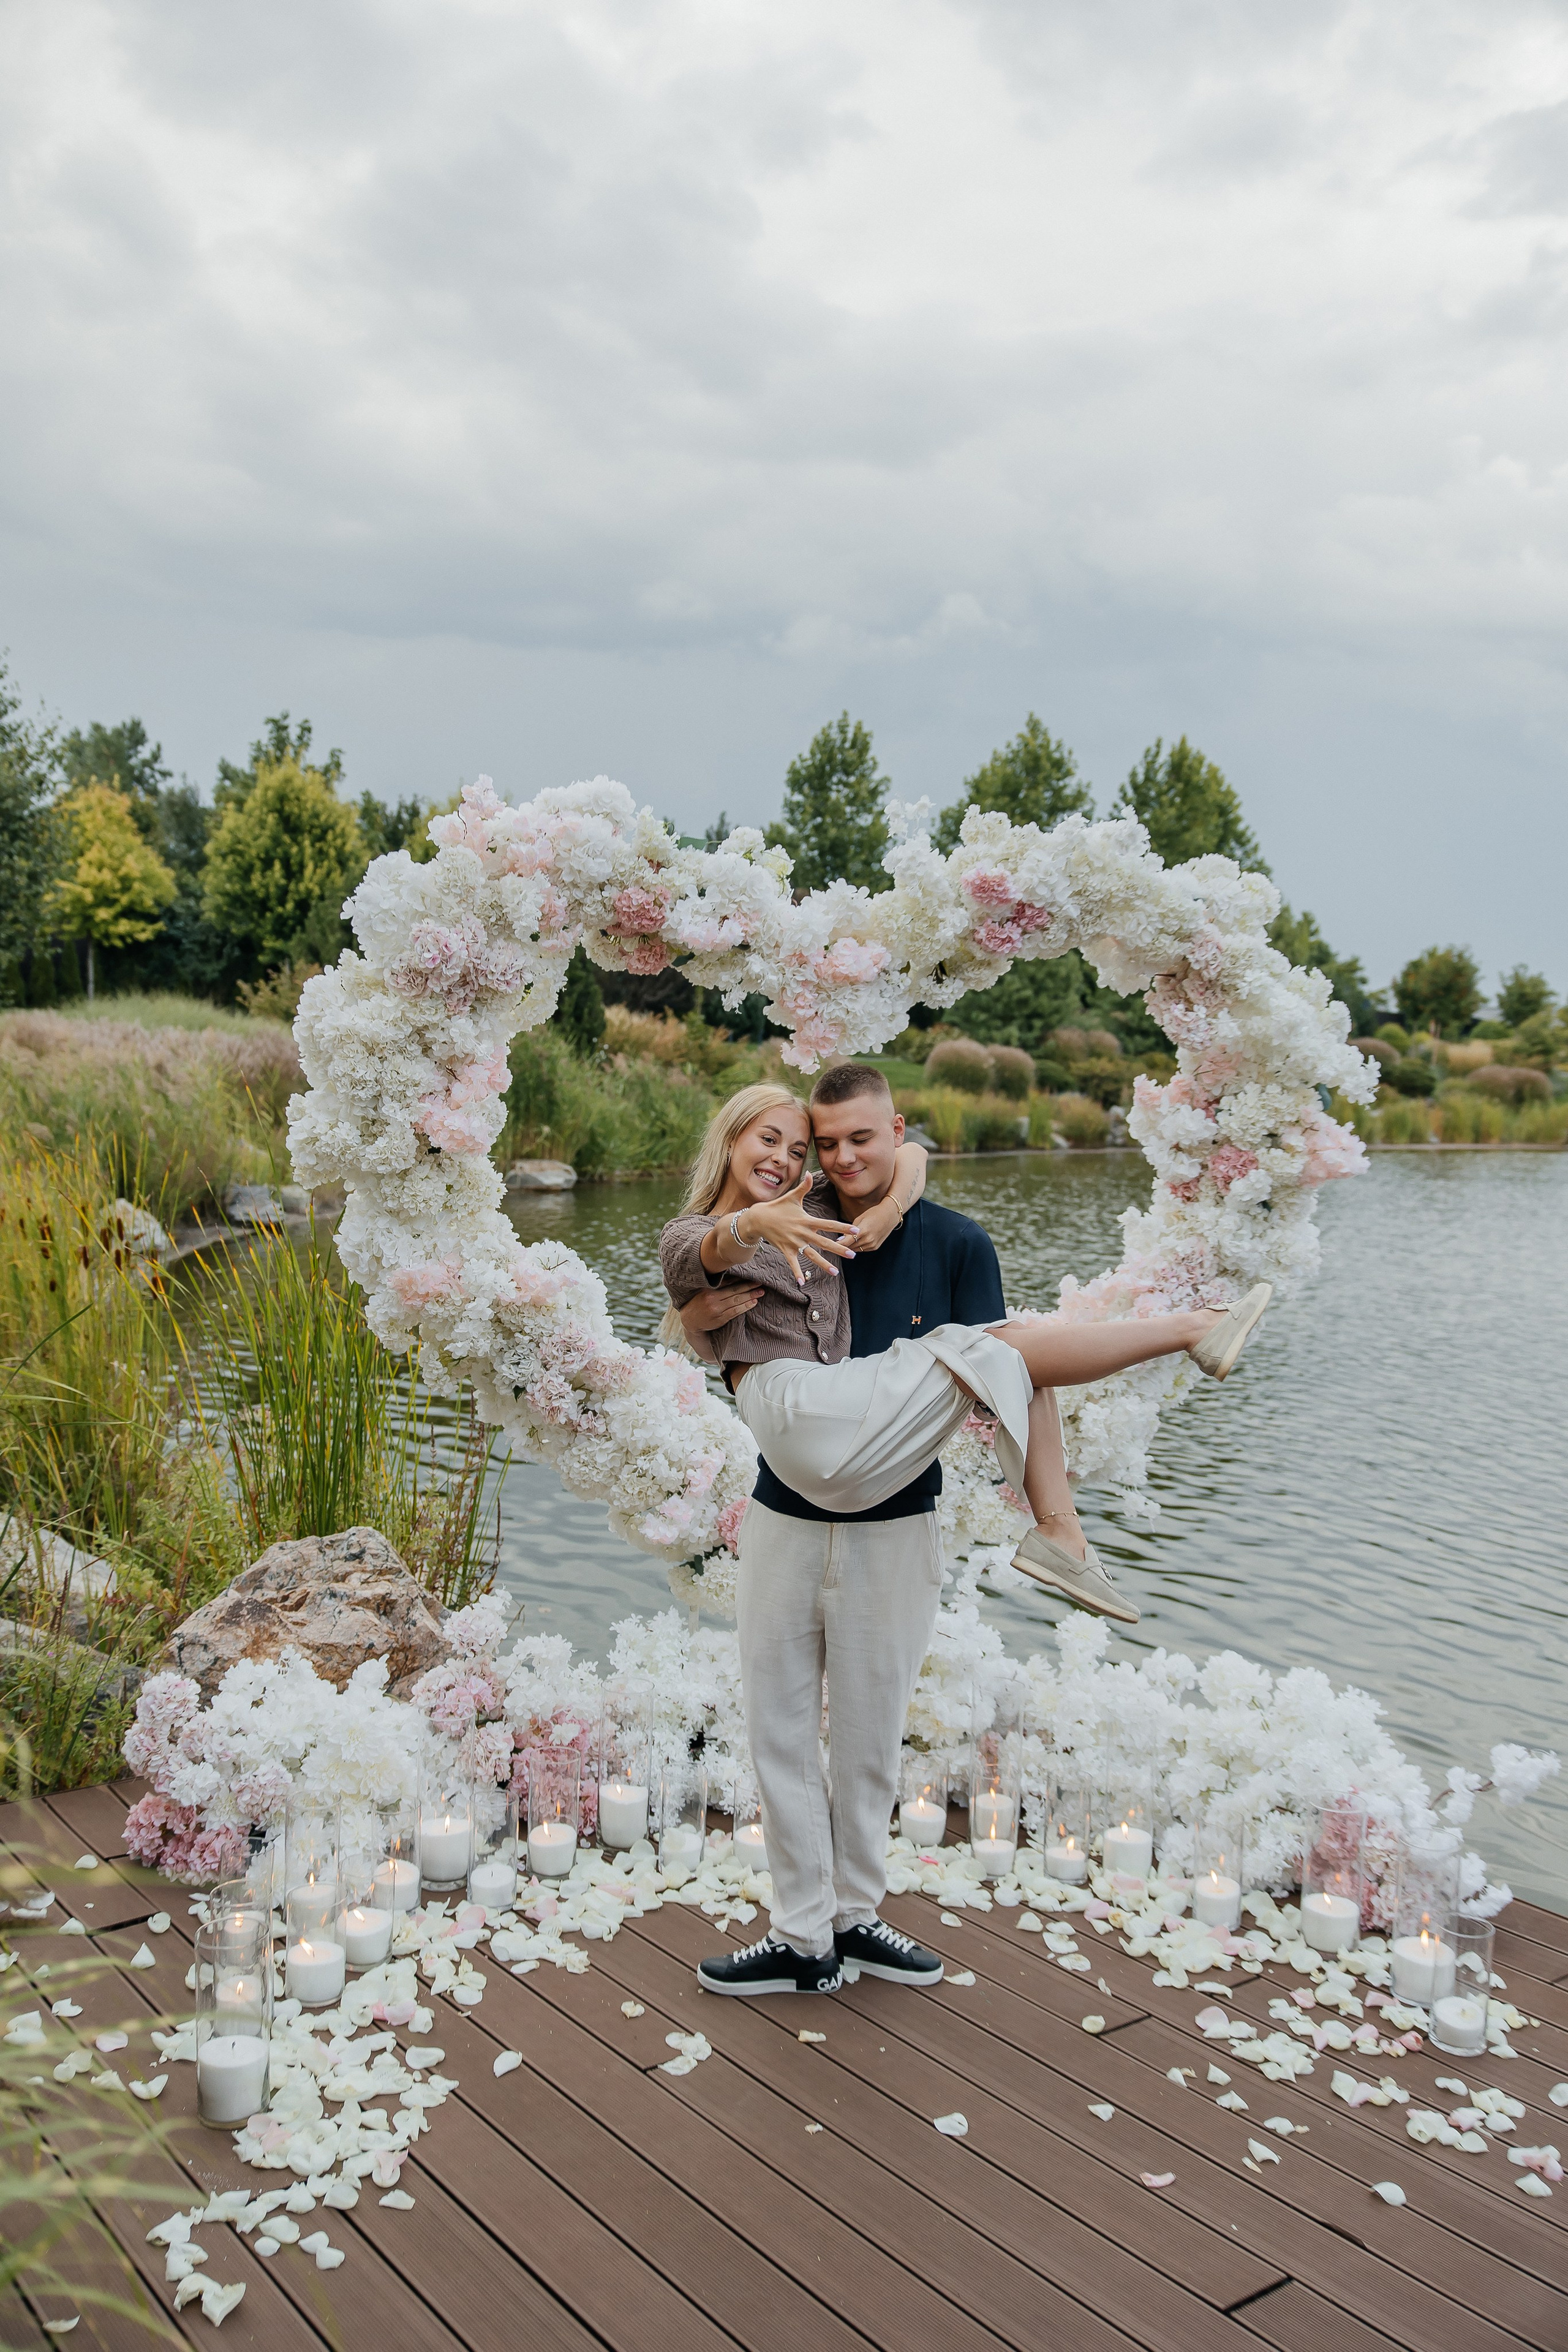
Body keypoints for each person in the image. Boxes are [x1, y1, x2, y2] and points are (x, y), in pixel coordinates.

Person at [659, 1068, 1268, 1998]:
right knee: (778, 1731)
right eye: (815, 1143)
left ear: (893, 1131)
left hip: (895, 1518)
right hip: (788, 1506)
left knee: (872, 1731)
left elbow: (915, 1181)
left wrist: (897, 1183)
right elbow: (695, 1252)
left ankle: (855, 1919)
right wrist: (706, 1302)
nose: (826, 1159)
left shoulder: (954, 1242)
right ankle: (799, 1934)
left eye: (846, 1141)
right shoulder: (789, 1213)